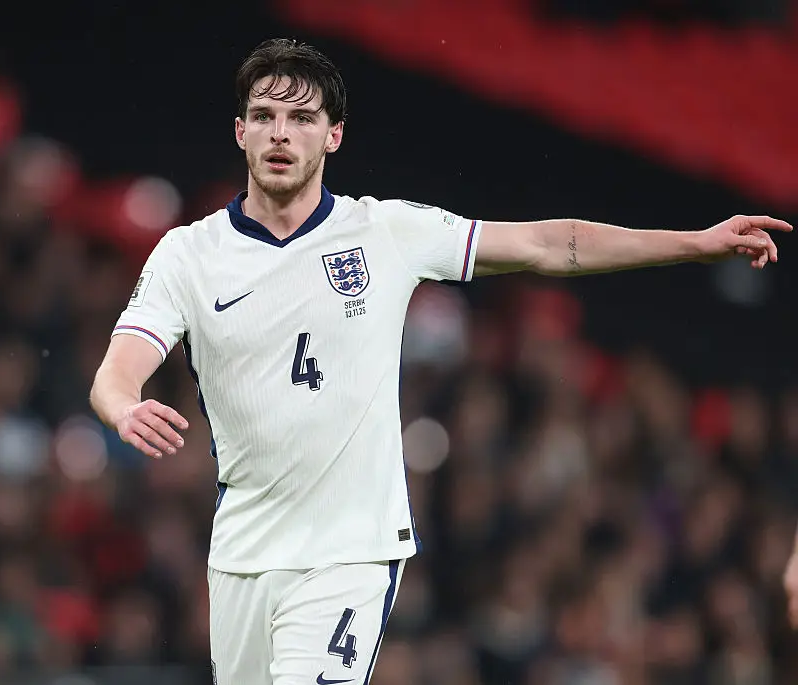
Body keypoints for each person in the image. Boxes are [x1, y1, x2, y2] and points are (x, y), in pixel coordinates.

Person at [89, 38, 791, 685]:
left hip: (350, 549)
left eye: (301, 118)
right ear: (239, 131)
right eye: (265, 115)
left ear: (334, 135)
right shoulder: (190, 253)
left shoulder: (386, 231)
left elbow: (550, 245)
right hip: (242, 549)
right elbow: (116, 372)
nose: (281, 132)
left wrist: (694, 243)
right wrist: (124, 407)